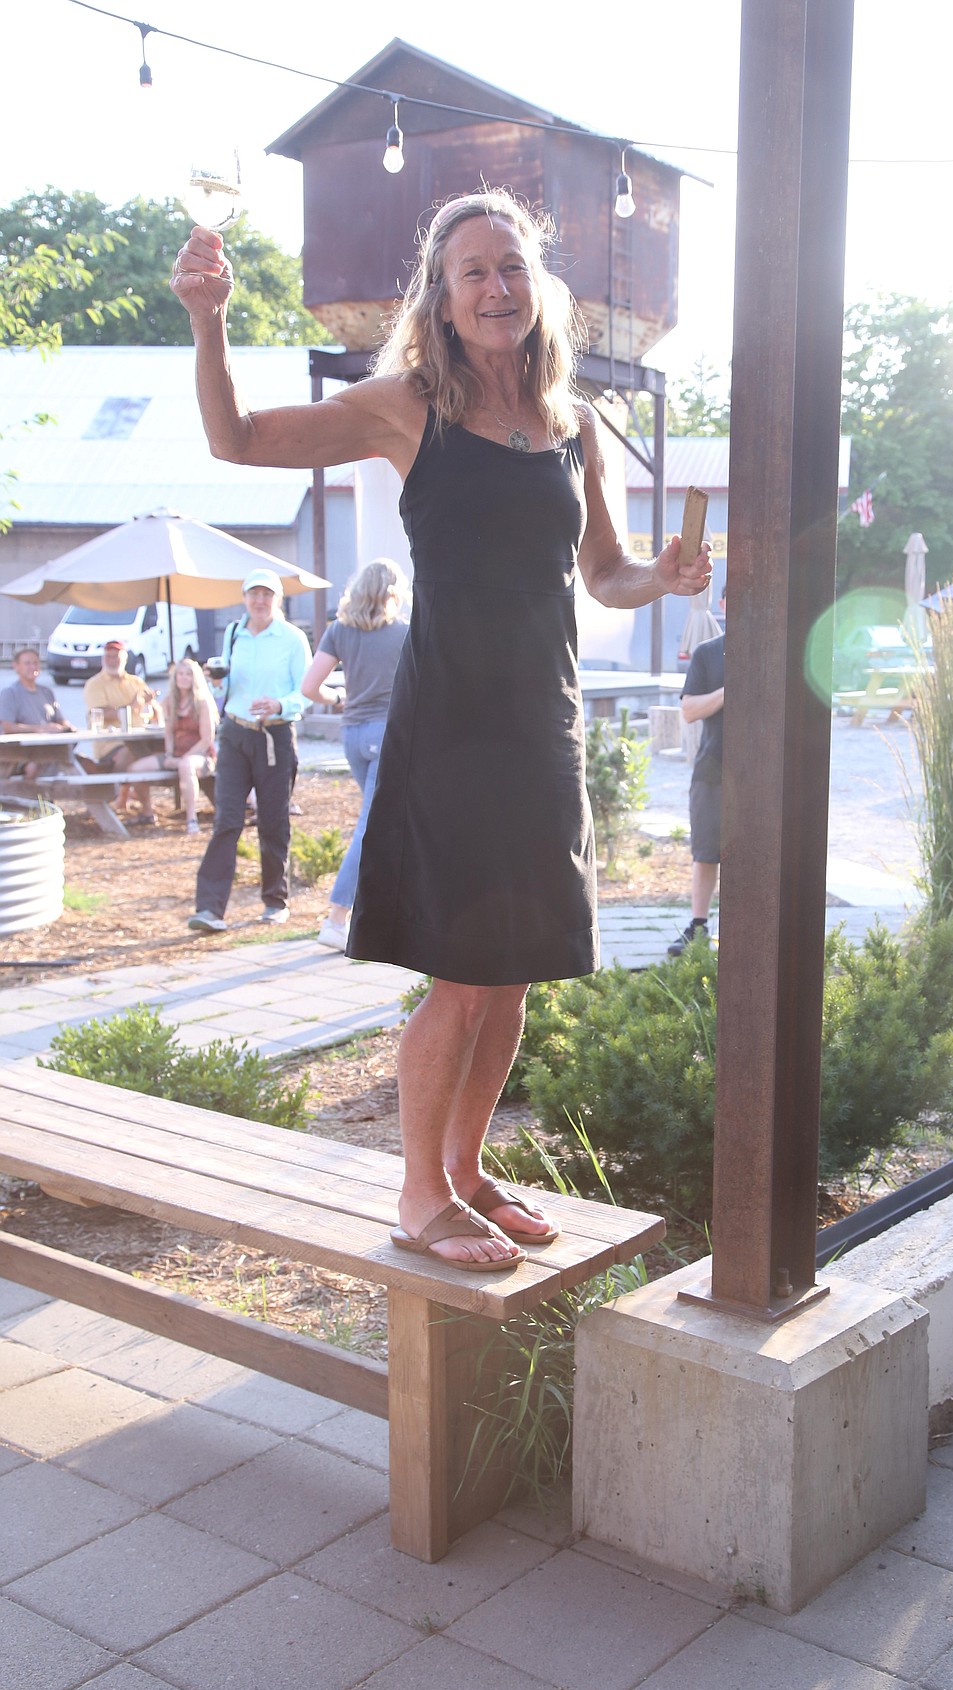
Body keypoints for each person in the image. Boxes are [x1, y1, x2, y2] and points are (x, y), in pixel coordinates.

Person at [170, 188, 711, 1269]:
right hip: (452, 725)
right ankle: (419, 1199)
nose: (498, 288)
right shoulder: (405, 405)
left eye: (511, 266)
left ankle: (467, 1174)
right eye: (474, 272)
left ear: (535, 282)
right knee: (464, 974)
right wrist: (209, 316)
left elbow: (602, 573)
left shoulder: (571, 422)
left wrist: (665, 574)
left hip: (539, 728)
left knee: (514, 972)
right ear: (445, 299)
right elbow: (235, 439)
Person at [187, 569, 311, 933]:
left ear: (278, 600)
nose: (259, 601)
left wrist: (280, 704)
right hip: (235, 735)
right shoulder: (233, 632)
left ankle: (275, 900)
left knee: (273, 823)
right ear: (244, 598)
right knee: (226, 820)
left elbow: (307, 689)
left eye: (267, 595)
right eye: (253, 594)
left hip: (275, 738)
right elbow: (227, 685)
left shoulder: (291, 638)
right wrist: (218, 679)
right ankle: (210, 910)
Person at [301, 558, 409, 951]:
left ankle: (386, 911)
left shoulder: (339, 630)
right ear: (393, 593)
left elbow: (310, 686)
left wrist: (338, 698)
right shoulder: (404, 633)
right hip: (388, 733)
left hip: (353, 734)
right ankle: (336, 918)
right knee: (369, 827)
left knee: (386, 824)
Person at [669, 630, 725, 956]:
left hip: (763, 772)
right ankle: (699, 926)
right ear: (723, 605)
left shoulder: (774, 650)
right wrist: (728, 692)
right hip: (712, 769)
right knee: (705, 852)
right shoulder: (707, 652)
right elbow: (689, 710)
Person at [130, 656, 218, 833]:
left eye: (188, 674)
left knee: (186, 766)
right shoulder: (171, 701)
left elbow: (206, 739)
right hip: (176, 753)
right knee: (135, 768)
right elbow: (168, 732)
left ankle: (191, 819)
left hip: (201, 755)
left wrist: (184, 758)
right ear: (175, 677)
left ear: (195, 678)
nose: (184, 678)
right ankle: (147, 812)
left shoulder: (202, 702)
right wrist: (169, 755)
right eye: (180, 674)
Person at [80, 640, 162, 820]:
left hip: (141, 739)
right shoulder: (95, 684)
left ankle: (125, 798)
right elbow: (99, 713)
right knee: (133, 753)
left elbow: (155, 714)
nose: (112, 660)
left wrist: (151, 703)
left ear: (124, 659)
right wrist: (132, 707)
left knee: (164, 748)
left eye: (116, 657)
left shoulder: (136, 681)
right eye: (108, 657)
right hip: (111, 746)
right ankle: (146, 810)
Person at [0, 647, 74, 780]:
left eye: (35, 663)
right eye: (27, 663)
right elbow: (7, 727)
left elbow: (60, 719)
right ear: (16, 666)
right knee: (36, 766)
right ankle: (27, 798)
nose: (32, 667)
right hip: (20, 753)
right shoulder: (9, 694)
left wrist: (67, 727)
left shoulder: (46, 692)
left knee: (78, 763)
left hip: (50, 748)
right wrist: (40, 729)